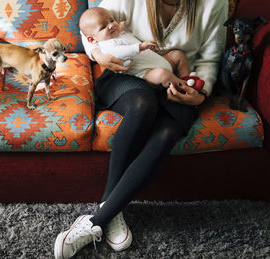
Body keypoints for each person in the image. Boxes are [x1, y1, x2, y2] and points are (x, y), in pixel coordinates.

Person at [54, 0, 227, 258]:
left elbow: (210, 60)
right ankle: (109, 212)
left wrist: (200, 95)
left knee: (167, 134)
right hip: (128, 74)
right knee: (142, 104)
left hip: (176, 83)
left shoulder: (215, 4)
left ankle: (98, 219)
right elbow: (91, 26)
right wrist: (99, 54)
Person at [79, 6, 201, 89]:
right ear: (92, 39)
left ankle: (188, 78)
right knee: (162, 74)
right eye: (103, 27)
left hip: (160, 61)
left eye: (111, 20)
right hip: (148, 74)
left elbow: (124, 26)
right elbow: (120, 53)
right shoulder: (107, 47)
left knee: (177, 55)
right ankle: (185, 86)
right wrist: (140, 47)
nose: (111, 25)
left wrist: (122, 25)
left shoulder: (118, 33)